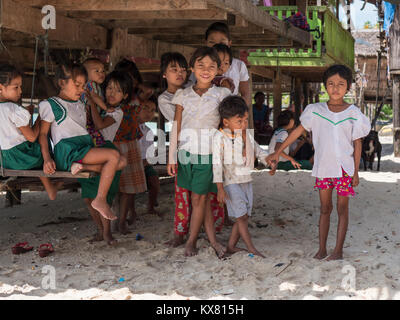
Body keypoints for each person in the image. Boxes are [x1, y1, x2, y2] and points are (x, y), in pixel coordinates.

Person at [267, 64, 371, 260]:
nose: (335, 88)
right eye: (331, 83)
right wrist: (278, 151)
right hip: (323, 168)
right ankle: (322, 249)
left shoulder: (354, 113)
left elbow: (357, 145)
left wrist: (355, 172)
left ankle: (338, 250)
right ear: (325, 86)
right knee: (324, 209)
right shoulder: (315, 110)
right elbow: (298, 131)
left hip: (344, 170)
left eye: (341, 84)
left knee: (342, 209)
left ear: (348, 87)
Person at [38, 62, 123, 221]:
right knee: (113, 156)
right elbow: (43, 134)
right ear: (62, 83)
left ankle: (82, 167)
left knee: (122, 160)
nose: (81, 89)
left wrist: (102, 106)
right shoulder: (50, 105)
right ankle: (100, 199)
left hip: (83, 147)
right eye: (77, 85)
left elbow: (92, 103)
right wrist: (47, 159)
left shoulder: (80, 104)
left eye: (83, 85)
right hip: (68, 151)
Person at [167, 47, 231, 258]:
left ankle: (192, 241)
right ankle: (212, 240)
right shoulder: (182, 95)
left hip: (208, 154)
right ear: (192, 68)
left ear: (218, 70)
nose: (206, 70)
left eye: (212, 66)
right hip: (185, 154)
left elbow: (228, 125)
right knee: (200, 199)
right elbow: (176, 126)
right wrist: (171, 156)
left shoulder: (222, 94)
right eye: (201, 65)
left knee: (198, 198)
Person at [213, 96, 268, 258]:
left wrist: (269, 160)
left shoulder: (246, 135)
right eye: (239, 121)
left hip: (246, 180)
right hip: (231, 182)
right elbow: (216, 165)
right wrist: (220, 188)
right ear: (226, 122)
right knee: (242, 216)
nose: (244, 124)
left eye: (245, 120)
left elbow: (259, 151)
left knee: (243, 215)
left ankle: (231, 246)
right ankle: (251, 248)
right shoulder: (219, 138)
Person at [80, 71, 129, 245]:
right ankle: (100, 231)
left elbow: (100, 125)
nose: (111, 93)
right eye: (109, 88)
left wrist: (92, 102)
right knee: (88, 197)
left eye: (117, 90)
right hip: (90, 149)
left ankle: (107, 233)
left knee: (104, 197)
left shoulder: (117, 112)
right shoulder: (101, 107)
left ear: (125, 95)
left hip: (106, 150)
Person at [0, 64, 60, 200]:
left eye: (20, 86)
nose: (20, 91)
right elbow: (32, 137)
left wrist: (26, 115)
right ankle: (53, 173)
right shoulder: (13, 109)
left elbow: (11, 131)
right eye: (16, 87)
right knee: (41, 145)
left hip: (6, 159)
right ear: (0, 88)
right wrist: (40, 116)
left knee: (37, 149)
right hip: (23, 157)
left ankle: (50, 189)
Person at [187, 22, 251, 106]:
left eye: (222, 43)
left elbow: (245, 94)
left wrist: (240, 112)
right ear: (205, 43)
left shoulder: (239, 65)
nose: (216, 46)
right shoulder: (199, 65)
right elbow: (191, 89)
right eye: (212, 42)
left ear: (229, 43)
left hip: (229, 111)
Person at [137, 96, 162, 217]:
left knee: (154, 179)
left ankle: (150, 207)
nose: (149, 113)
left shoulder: (148, 131)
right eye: (146, 108)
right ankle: (131, 211)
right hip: (130, 164)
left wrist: (145, 163)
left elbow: (150, 155)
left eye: (152, 110)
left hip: (144, 164)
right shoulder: (128, 129)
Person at [81, 58, 109, 147]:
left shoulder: (95, 85)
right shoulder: (91, 84)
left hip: (88, 118)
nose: (101, 73)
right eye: (97, 71)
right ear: (86, 73)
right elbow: (95, 97)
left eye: (103, 71)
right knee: (96, 140)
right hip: (88, 117)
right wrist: (106, 108)